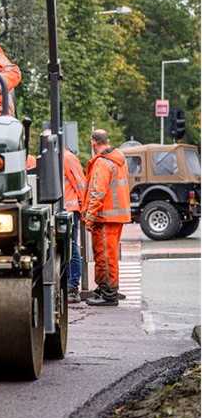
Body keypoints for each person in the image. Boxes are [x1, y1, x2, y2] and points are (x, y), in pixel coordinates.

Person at [82, 129, 131, 306]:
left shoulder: (102, 163)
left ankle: (108, 293)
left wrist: (89, 217)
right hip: (116, 215)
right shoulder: (119, 160)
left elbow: (97, 192)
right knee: (109, 255)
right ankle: (106, 288)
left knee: (104, 255)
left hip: (105, 217)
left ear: (93, 142)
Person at [63, 147, 87, 304]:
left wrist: (83, 206)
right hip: (63, 209)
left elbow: (80, 183)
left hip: (70, 209)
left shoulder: (67, 158)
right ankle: (69, 285)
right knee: (67, 247)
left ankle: (73, 286)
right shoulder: (58, 158)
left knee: (72, 246)